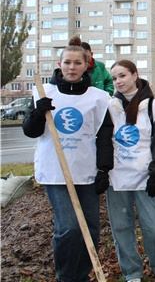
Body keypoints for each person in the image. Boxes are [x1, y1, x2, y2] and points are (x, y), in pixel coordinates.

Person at [22, 44, 113, 282]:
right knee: (70, 227)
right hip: (55, 171)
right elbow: (31, 132)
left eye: (77, 63)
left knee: (91, 228)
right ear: (60, 64)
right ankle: (65, 276)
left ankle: (81, 275)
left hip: (85, 170)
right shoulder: (43, 92)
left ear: (86, 66)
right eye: (67, 62)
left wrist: (104, 169)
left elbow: (104, 137)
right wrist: (36, 113)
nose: (72, 67)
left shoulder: (99, 98)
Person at [106, 60, 155, 282]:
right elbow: (104, 141)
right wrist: (102, 170)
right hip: (116, 178)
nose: (118, 82)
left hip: (145, 177)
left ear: (135, 75)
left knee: (154, 227)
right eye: (114, 78)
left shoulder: (154, 106)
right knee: (122, 228)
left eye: (122, 76)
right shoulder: (110, 107)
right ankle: (132, 271)